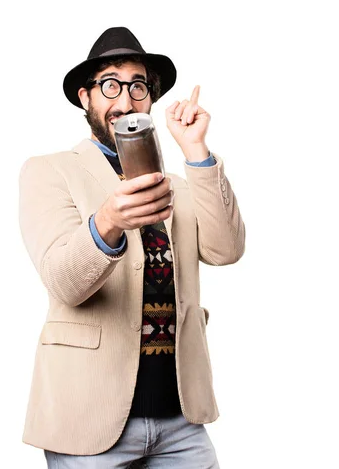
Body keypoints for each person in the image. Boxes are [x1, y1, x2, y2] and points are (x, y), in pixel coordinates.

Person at [19, 26, 245, 468]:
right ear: (86, 97)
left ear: (150, 100)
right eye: (110, 85)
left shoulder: (178, 186)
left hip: (181, 418)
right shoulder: (49, 171)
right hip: (89, 421)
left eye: (137, 86)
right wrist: (109, 221)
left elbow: (227, 249)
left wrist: (196, 152)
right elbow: (65, 282)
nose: (124, 100)